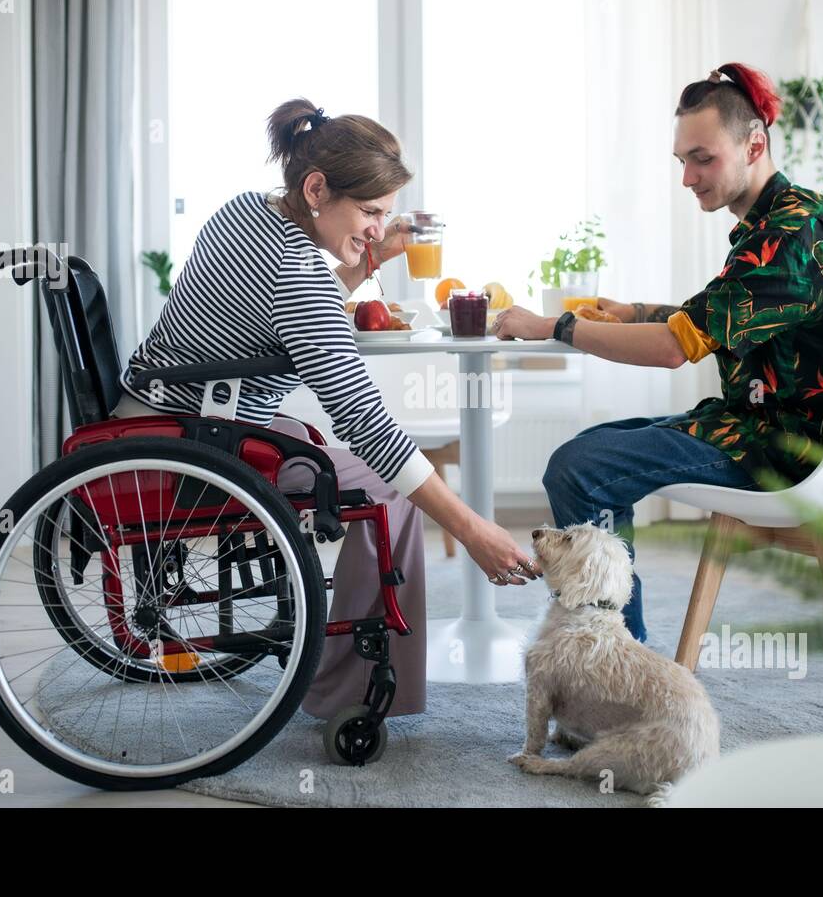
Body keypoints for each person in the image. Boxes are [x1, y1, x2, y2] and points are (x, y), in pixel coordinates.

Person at [112, 98, 542, 718]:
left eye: (386, 215)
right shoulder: (296, 267)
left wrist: (371, 253)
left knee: (349, 458)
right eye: (370, 212)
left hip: (159, 412)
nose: (377, 227)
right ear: (316, 188)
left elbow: (287, 311)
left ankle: (345, 674)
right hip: (193, 444)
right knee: (389, 493)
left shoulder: (251, 212)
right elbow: (362, 416)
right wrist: (472, 530)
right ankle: (346, 697)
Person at [493, 63, 823, 644]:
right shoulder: (786, 217)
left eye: (703, 158)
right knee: (583, 456)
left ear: (754, 143)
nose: (688, 178)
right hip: (764, 423)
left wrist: (553, 326)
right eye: (682, 161)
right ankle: (616, 649)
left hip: (786, 450)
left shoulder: (787, 236)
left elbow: (676, 349)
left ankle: (615, 661)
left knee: (581, 468)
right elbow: (712, 320)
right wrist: (635, 312)